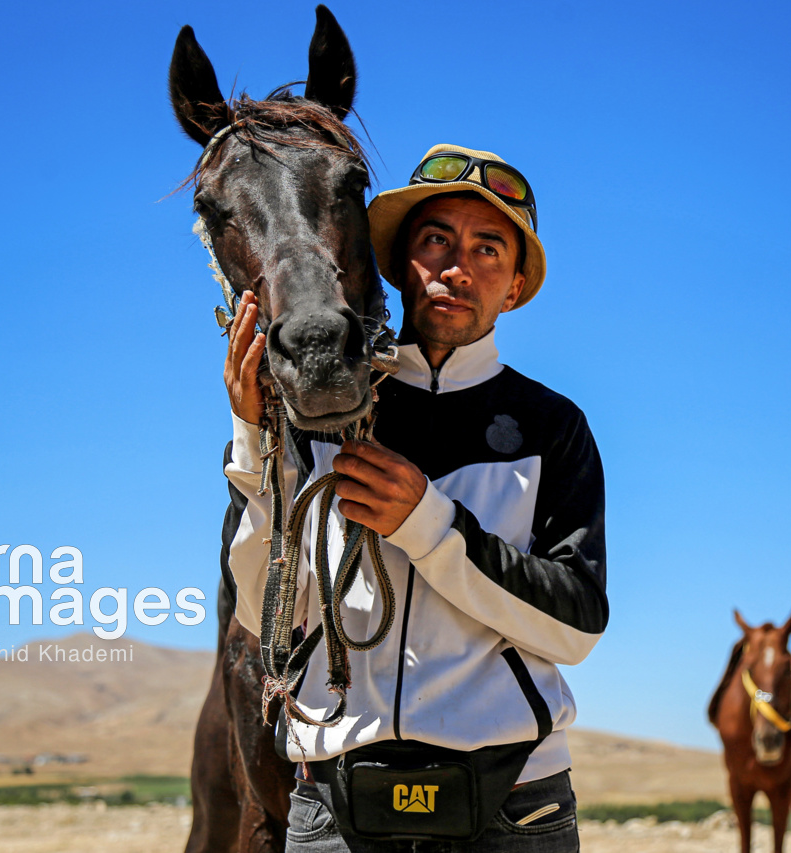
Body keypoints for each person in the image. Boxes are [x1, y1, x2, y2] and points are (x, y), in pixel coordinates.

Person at [221, 144, 607, 852]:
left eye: (489, 248)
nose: (457, 266)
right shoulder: (317, 412)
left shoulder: (554, 428)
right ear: (400, 262)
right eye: (436, 240)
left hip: (513, 808)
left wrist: (427, 524)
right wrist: (252, 436)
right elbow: (264, 612)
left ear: (515, 285)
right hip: (334, 810)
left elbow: (576, 627)